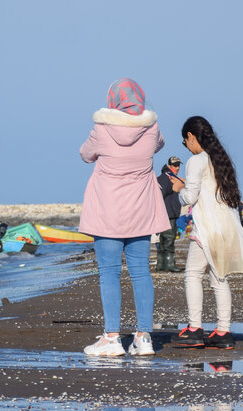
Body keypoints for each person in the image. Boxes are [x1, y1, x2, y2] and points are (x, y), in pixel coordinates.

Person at [79, 78, 170, 357]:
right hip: (140, 209)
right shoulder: (151, 127)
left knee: (109, 273)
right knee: (141, 271)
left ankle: (112, 338)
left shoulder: (102, 128)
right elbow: (160, 145)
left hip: (107, 209)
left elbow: (85, 155)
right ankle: (143, 338)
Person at [170, 116, 243, 350]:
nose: (186, 146)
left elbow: (190, 197)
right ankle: (223, 331)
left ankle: (194, 328)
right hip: (227, 228)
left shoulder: (197, 160)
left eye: (185, 142)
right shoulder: (220, 159)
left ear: (191, 136)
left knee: (192, 274)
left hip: (207, 229)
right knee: (219, 278)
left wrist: (179, 189)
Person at [155, 156, 184, 272]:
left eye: (178, 165)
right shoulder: (167, 177)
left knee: (164, 240)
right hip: (168, 214)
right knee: (169, 239)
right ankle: (169, 264)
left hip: (167, 213)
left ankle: (161, 265)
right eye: (175, 165)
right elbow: (160, 193)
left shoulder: (167, 177)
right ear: (169, 166)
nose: (177, 168)